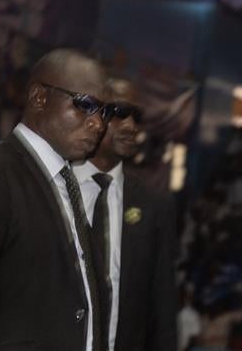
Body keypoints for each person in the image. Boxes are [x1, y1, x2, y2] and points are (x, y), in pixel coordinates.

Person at [0, 49, 112, 350]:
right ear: (40, 97)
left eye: (104, 112)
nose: (99, 124)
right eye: (86, 105)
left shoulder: (66, 181)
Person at [72, 78, 178, 351]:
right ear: (93, 115)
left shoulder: (154, 205)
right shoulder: (53, 188)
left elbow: (163, 304)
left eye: (137, 116)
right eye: (119, 113)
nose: (131, 127)